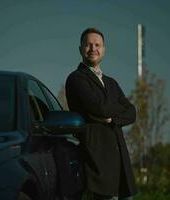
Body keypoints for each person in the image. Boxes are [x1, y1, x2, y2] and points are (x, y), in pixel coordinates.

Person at [65, 28, 137, 200]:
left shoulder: (111, 83)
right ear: (80, 49)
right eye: (88, 45)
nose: (93, 49)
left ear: (103, 49)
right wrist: (117, 110)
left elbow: (132, 112)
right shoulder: (76, 79)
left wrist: (111, 118)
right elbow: (100, 109)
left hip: (120, 166)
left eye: (97, 45)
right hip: (96, 163)